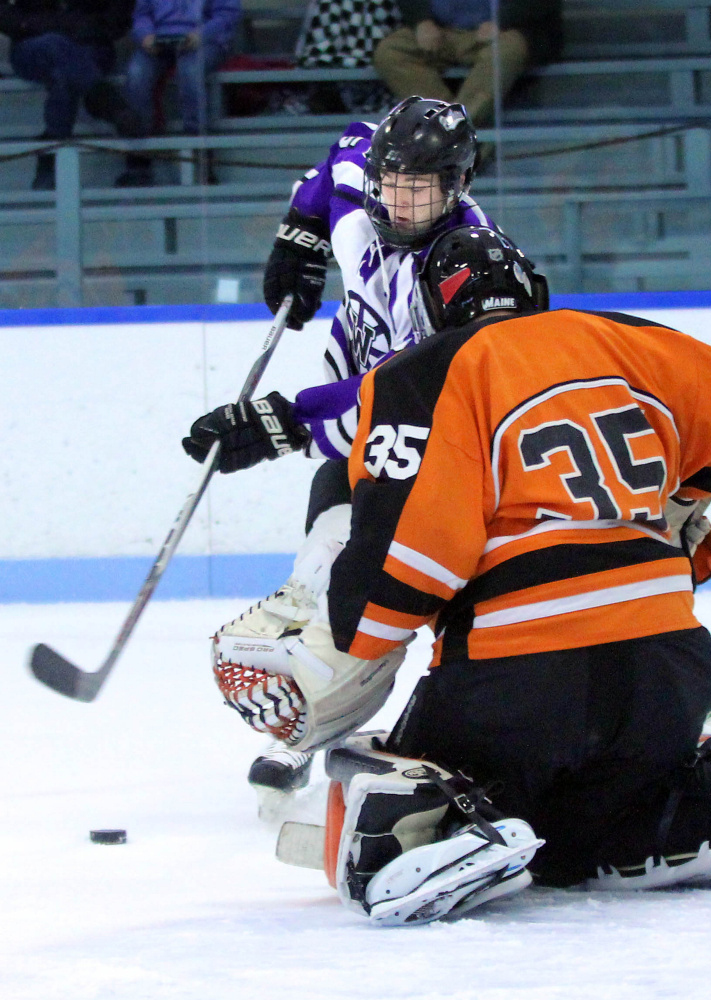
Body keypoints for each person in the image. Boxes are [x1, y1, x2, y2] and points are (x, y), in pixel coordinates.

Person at [200, 226, 711, 926]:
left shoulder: (421, 372)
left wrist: (351, 627)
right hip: (670, 670)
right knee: (591, 833)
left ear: (435, 309)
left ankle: (447, 827)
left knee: (374, 767)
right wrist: (685, 496)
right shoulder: (625, 337)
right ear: (531, 291)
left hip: (516, 678)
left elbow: (412, 563)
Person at [182, 96, 495, 806]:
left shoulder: (464, 268)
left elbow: (409, 399)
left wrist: (288, 420)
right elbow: (347, 145)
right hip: (360, 398)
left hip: (432, 445)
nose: (401, 199)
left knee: (415, 594)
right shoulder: (367, 191)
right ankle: (309, 726)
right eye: (392, 182)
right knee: (325, 562)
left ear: (458, 184)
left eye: (421, 187)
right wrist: (298, 232)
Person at [0, 0, 141, 190]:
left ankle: (50, 157)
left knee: (64, 75)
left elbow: (120, 12)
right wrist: (24, 25)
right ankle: (105, 100)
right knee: (55, 44)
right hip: (33, 43)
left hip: (91, 43)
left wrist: (94, 29)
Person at [373, 1, 560, 128]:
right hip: (440, 31)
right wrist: (422, 21)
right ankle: (451, 126)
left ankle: (455, 130)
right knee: (390, 51)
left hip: (499, 32)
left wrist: (502, 20)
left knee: (508, 49)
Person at [115, 0, 242, 187]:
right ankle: (138, 159)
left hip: (204, 40)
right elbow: (142, 15)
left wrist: (202, 34)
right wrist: (145, 36)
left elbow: (227, 14)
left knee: (190, 70)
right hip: (157, 41)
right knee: (136, 73)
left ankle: (200, 154)